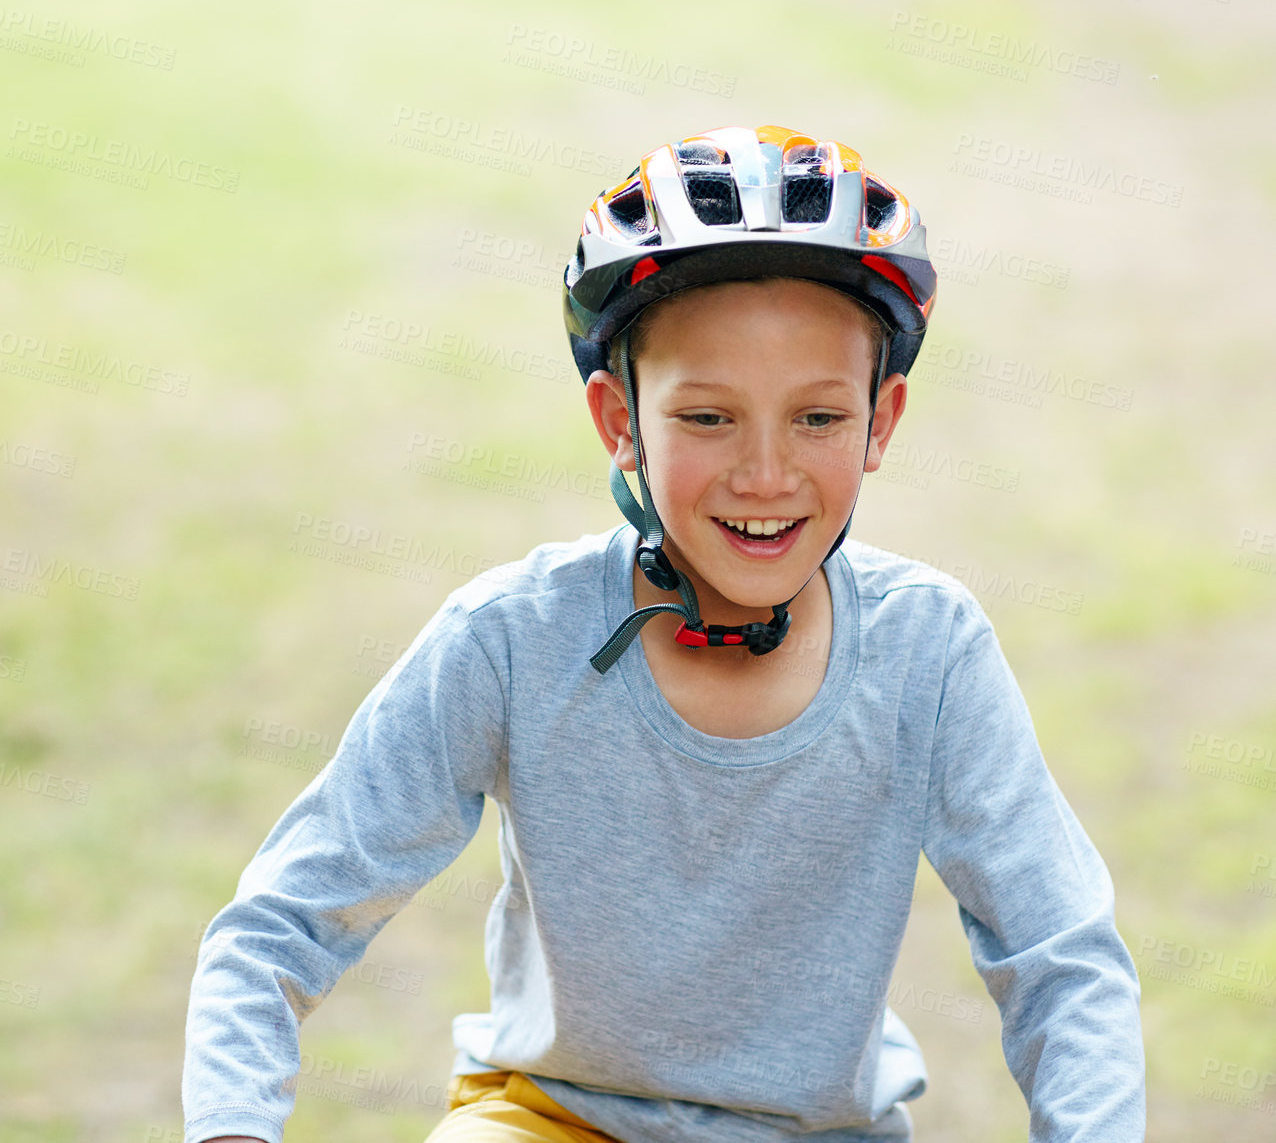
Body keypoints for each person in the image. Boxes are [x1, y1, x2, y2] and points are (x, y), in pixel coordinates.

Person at [181, 124, 1144, 1143]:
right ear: (619, 420)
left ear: (881, 419)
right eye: (707, 417)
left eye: (816, 417)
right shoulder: (513, 640)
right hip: (552, 1116)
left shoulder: (929, 654)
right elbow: (278, 925)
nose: (764, 473)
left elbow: (1059, 955)